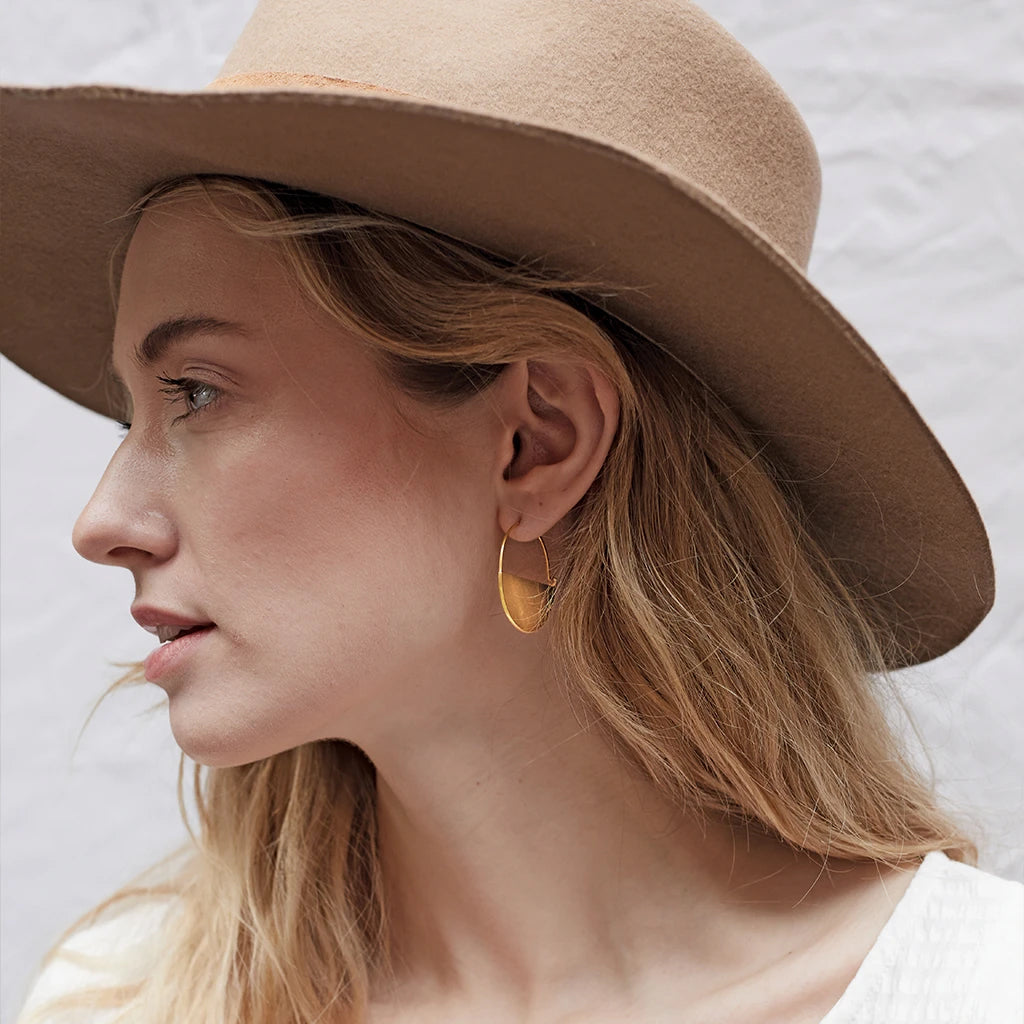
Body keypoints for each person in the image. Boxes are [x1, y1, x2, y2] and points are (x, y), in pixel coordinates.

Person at [3, 2, 1021, 1023]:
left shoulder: (971, 994)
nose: (102, 520)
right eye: (133, 411)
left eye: (195, 392)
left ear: (539, 442)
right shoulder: (119, 1001)